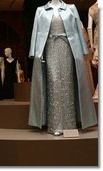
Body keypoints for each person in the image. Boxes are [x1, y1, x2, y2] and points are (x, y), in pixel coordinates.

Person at [28, 0, 97, 136]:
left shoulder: (71, 8)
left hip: (68, 48)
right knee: (53, 83)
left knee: (67, 83)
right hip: (50, 48)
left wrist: (84, 49)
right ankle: (55, 125)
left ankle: (69, 124)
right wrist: (34, 52)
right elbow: (36, 31)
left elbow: (78, 28)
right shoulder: (41, 10)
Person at [87, 1, 98, 99]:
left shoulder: (92, 8)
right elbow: (89, 28)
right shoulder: (92, 9)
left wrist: (92, 44)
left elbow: (90, 28)